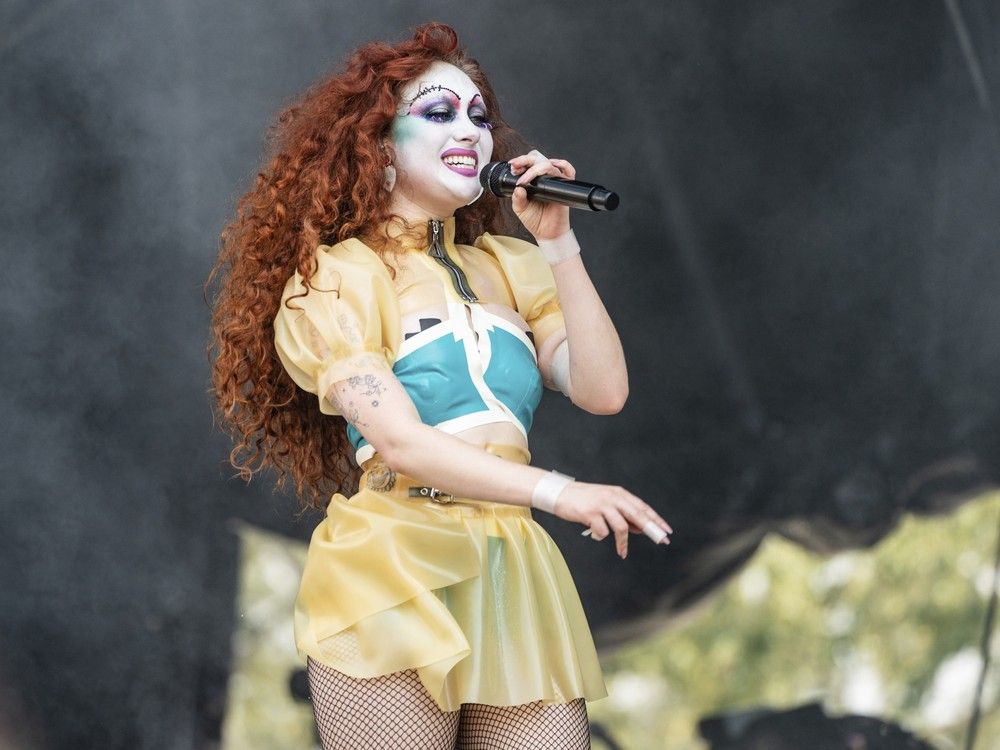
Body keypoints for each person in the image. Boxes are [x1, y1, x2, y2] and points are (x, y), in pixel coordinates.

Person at [209, 22, 672, 750]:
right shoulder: (339, 277)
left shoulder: (509, 267)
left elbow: (602, 388)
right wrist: (561, 492)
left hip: (510, 558)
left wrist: (557, 243)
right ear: (379, 144)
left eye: (480, 118)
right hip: (396, 557)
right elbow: (400, 441)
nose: (471, 131)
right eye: (439, 113)